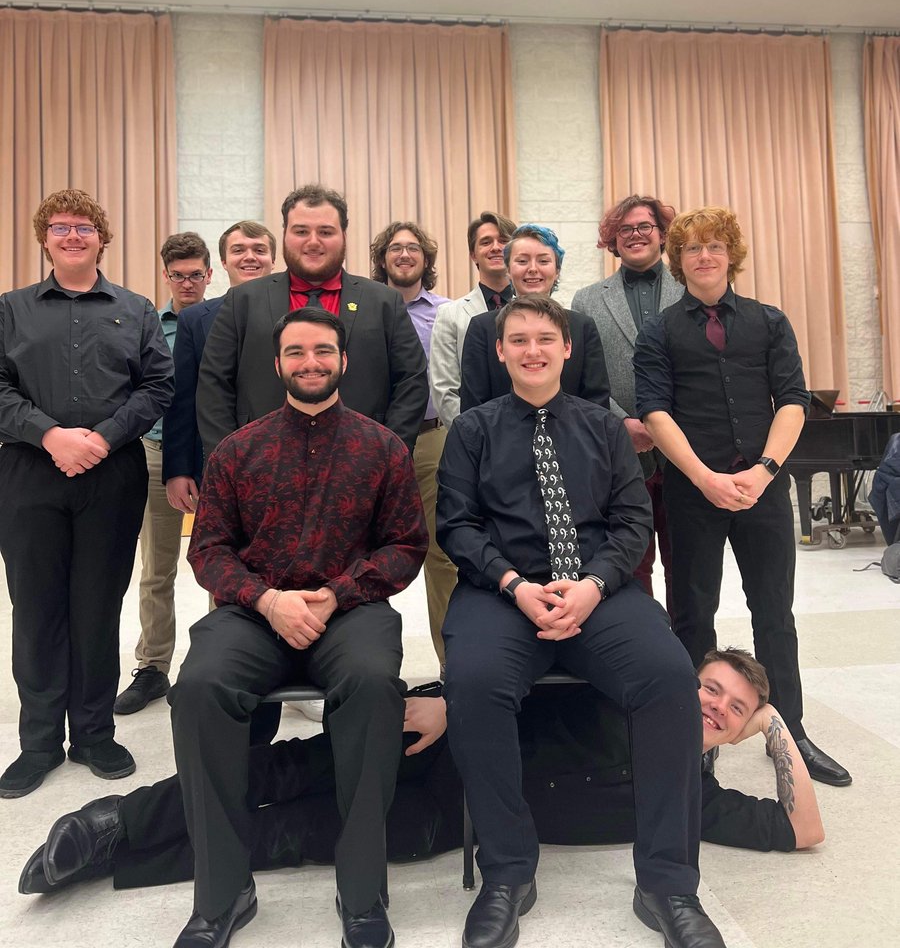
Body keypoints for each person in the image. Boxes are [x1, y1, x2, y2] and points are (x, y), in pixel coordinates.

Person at [18, 648, 825, 901]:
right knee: (284, 768)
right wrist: (441, 698)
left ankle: (111, 858)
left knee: (293, 836)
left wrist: (776, 725)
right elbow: (511, 684)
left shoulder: (698, 798)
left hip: (442, 826)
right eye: (710, 687)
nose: (715, 706)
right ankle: (111, 823)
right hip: (444, 746)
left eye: (734, 706)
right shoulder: (611, 694)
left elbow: (803, 830)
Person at [437, 294, 725, 948]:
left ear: (567, 349)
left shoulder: (602, 427)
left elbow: (632, 522)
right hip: (503, 591)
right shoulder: (473, 430)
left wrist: (593, 586)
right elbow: (455, 525)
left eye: (545, 338)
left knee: (667, 677)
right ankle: (507, 871)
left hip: (599, 589)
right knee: (474, 682)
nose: (532, 349)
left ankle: (666, 881)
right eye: (518, 339)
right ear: (501, 350)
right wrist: (516, 585)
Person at [168, 306, 428, 948]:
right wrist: (265, 601)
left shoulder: (382, 447)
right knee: (198, 686)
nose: (310, 362)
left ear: (344, 360)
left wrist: (337, 595)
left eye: (322, 351)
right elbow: (209, 551)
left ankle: (362, 890)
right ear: (277, 363)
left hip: (351, 613)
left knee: (373, 684)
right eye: (295, 352)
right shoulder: (238, 449)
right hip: (254, 615)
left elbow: (405, 546)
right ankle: (223, 893)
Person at [633, 205, 851, 788]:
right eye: (691, 249)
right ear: (678, 261)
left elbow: (793, 399)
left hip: (764, 491)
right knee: (691, 615)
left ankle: (792, 731)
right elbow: (653, 411)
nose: (703, 256)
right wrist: (704, 477)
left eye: (714, 246)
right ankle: (694, 737)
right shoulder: (659, 330)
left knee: (774, 614)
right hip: (691, 492)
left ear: (732, 254)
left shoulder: (770, 321)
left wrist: (764, 470)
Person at [0, 189, 174, 798]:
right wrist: (49, 435)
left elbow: (157, 386)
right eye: (59, 227)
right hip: (28, 473)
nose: (72, 236)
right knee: (38, 607)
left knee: (98, 604)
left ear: (102, 238)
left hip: (110, 473)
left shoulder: (136, 309)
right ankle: (40, 742)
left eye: (84, 227)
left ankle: (95, 734)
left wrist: (100, 439)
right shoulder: (11, 310)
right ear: (44, 239)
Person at [196, 184, 428, 458]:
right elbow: (214, 386)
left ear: (344, 235)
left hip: (362, 465)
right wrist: (230, 462)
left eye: (326, 232)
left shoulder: (384, 302)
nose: (313, 242)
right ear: (285, 234)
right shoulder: (242, 301)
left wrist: (387, 456)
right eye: (301, 231)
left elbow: (411, 382)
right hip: (261, 467)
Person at [115, 232, 213, 717]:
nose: (188, 282)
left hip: (215, 457)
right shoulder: (144, 323)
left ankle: (220, 661)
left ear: (209, 275)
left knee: (224, 567)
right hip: (155, 455)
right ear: (166, 276)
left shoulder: (221, 320)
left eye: (196, 274)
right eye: (179, 275)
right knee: (156, 569)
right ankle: (153, 667)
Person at [572, 195, 683, 611]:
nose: (635, 235)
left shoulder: (690, 289)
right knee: (630, 568)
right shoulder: (586, 300)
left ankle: (688, 657)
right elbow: (582, 379)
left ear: (662, 235)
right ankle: (645, 651)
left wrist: (663, 427)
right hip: (615, 451)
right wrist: (623, 423)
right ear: (612, 241)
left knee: (687, 565)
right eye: (625, 230)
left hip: (685, 453)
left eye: (644, 227)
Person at [370, 219, 455, 671]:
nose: (404, 255)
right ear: (382, 259)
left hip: (431, 439)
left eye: (413, 249)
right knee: (363, 552)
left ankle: (453, 663)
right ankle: (364, 666)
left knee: (443, 553)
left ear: (426, 259)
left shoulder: (446, 312)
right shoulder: (362, 308)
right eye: (395, 249)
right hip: (371, 444)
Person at [162, 220, 277, 521]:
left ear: (273, 260)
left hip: (289, 464)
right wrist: (178, 469)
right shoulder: (195, 320)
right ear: (224, 262)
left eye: (259, 250)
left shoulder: (302, 316)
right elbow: (182, 401)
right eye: (238, 250)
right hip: (217, 464)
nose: (249, 257)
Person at [460, 223, 610, 412]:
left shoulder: (582, 327)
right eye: (522, 261)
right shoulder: (482, 328)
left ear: (557, 271)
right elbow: (473, 404)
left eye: (543, 261)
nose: (532, 269)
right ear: (508, 270)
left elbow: (597, 402)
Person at [430, 210, 517, 427]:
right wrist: (473, 436)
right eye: (486, 242)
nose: (496, 247)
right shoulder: (450, 315)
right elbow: (445, 390)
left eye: (503, 240)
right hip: (476, 438)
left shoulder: (538, 311)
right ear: (473, 254)